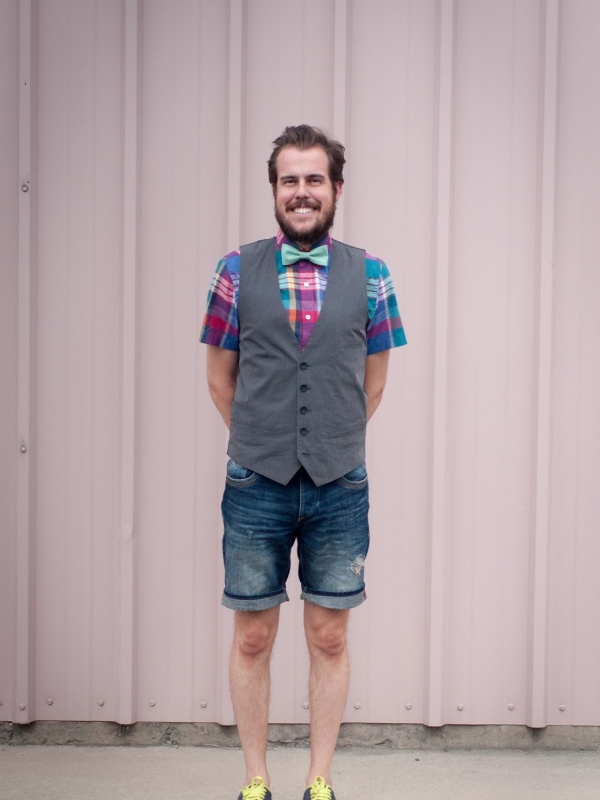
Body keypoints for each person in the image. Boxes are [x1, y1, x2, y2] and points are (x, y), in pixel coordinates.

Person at [200, 125, 406, 800]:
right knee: (254, 635)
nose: (302, 192)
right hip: (254, 482)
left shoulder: (371, 276)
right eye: (289, 180)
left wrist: (326, 443)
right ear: (274, 191)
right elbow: (218, 379)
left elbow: (372, 385)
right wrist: (266, 442)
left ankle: (319, 779)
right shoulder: (235, 271)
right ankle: (256, 780)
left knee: (330, 635)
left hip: (338, 484)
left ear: (336, 190)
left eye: (314, 179)